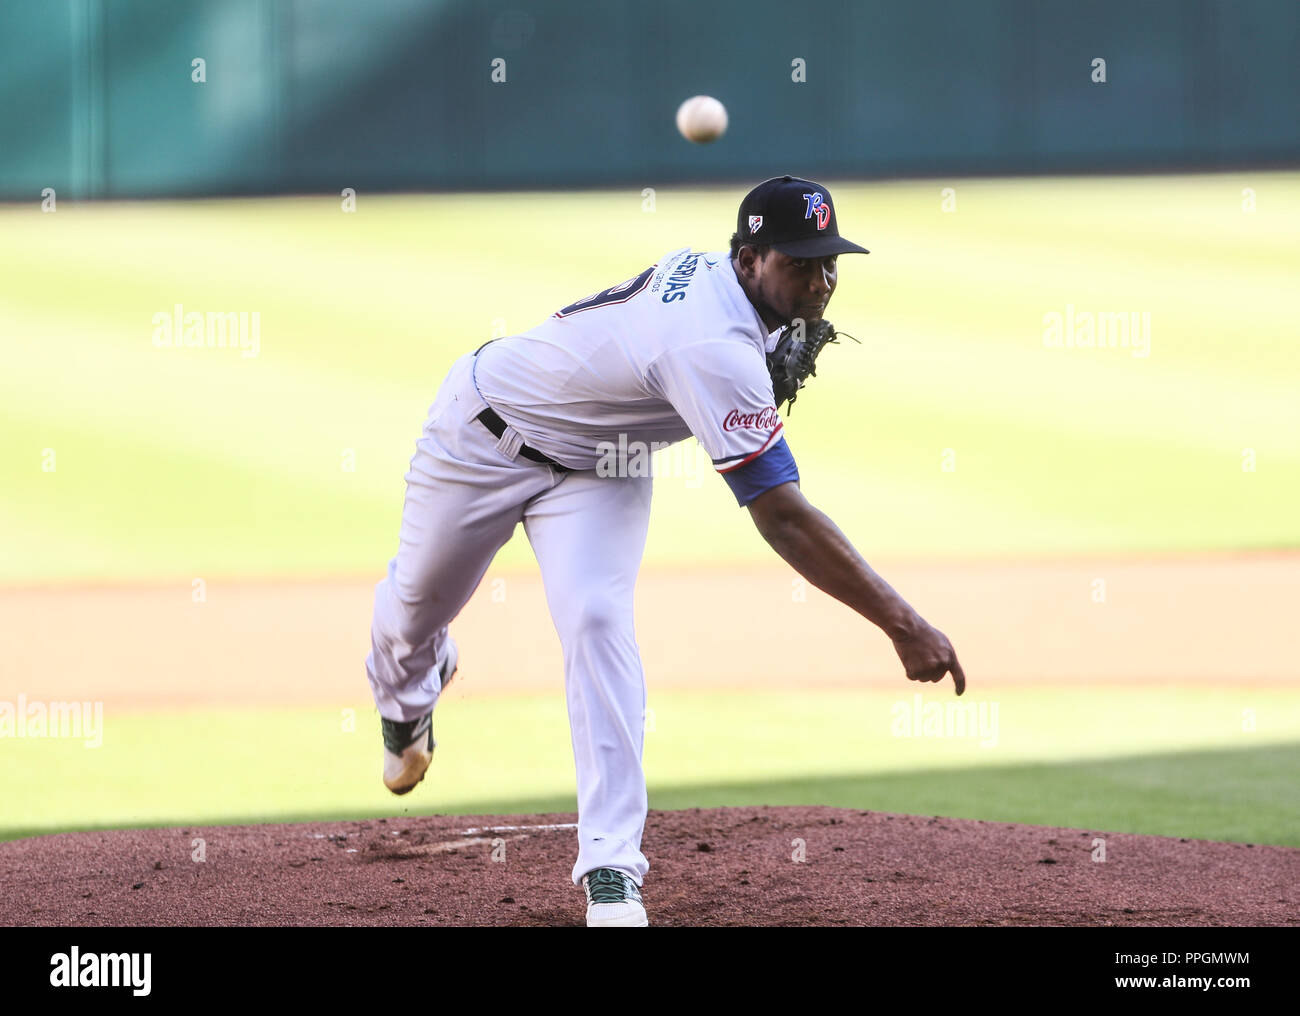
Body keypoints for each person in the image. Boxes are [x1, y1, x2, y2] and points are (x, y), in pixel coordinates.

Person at [365, 175, 965, 928]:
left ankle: (611, 868)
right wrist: (902, 622)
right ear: (749, 259)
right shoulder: (712, 343)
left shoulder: (735, 291)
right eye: (799, 263)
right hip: (481, 436)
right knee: (415, 609)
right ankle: (409, 693)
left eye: (829, 262)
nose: (820, 282)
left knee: (597, 620)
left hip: (602, 470)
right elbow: (782, 517)